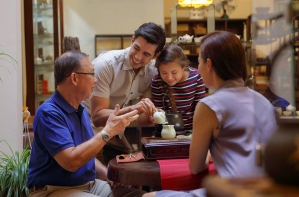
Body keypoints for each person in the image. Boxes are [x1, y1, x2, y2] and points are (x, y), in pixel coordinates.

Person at [143, 31, 278, 197]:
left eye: (198, 61)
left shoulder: (209, 106)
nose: (197, 67)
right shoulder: (264, 103)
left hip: (233, 191)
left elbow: (196, 167)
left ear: (208, 64)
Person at [27, 51, 146, 197]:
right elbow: (71, 161)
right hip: (53, 189)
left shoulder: (81, 110)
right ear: (75, 78)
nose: (95, 80)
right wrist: (107, 132)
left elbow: (86, 155)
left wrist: (109, 175)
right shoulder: (49, 113)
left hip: (90, 185)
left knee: (139, 195)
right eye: (92, 74)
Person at [83, 22, 166, 164]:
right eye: (136, 48)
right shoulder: (106, 65)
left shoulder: (153, 72)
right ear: (132, 39)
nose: (138, 57)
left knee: (130, 169)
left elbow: (141, 120)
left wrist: (152, 114)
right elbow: (97, 117)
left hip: (115, 128)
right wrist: (134, 108)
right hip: (86, 127)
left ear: (155, 55)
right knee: (106, 174)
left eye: (146, 54)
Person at [151, 45, 206, 132]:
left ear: (183, 68)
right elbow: (159, 111)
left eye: (174, 72)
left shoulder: (196, 76)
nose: (169, 77)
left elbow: (200, 109)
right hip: (167, 132)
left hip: (193, 131)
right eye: (164, 72)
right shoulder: (157, 81)